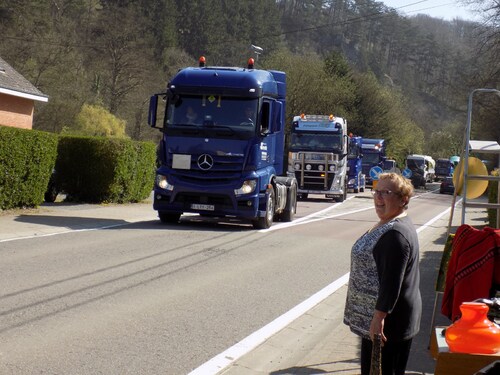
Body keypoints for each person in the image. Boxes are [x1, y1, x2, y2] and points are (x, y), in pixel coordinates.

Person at [343, 172, 421, 375]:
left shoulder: (395, 234)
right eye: (376, 191)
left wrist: (378, 319)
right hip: (379, 325)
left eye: (386, 192)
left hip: (388, 328)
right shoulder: (389, 223)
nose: (378, 197)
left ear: (403, 199)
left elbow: (391, 282)